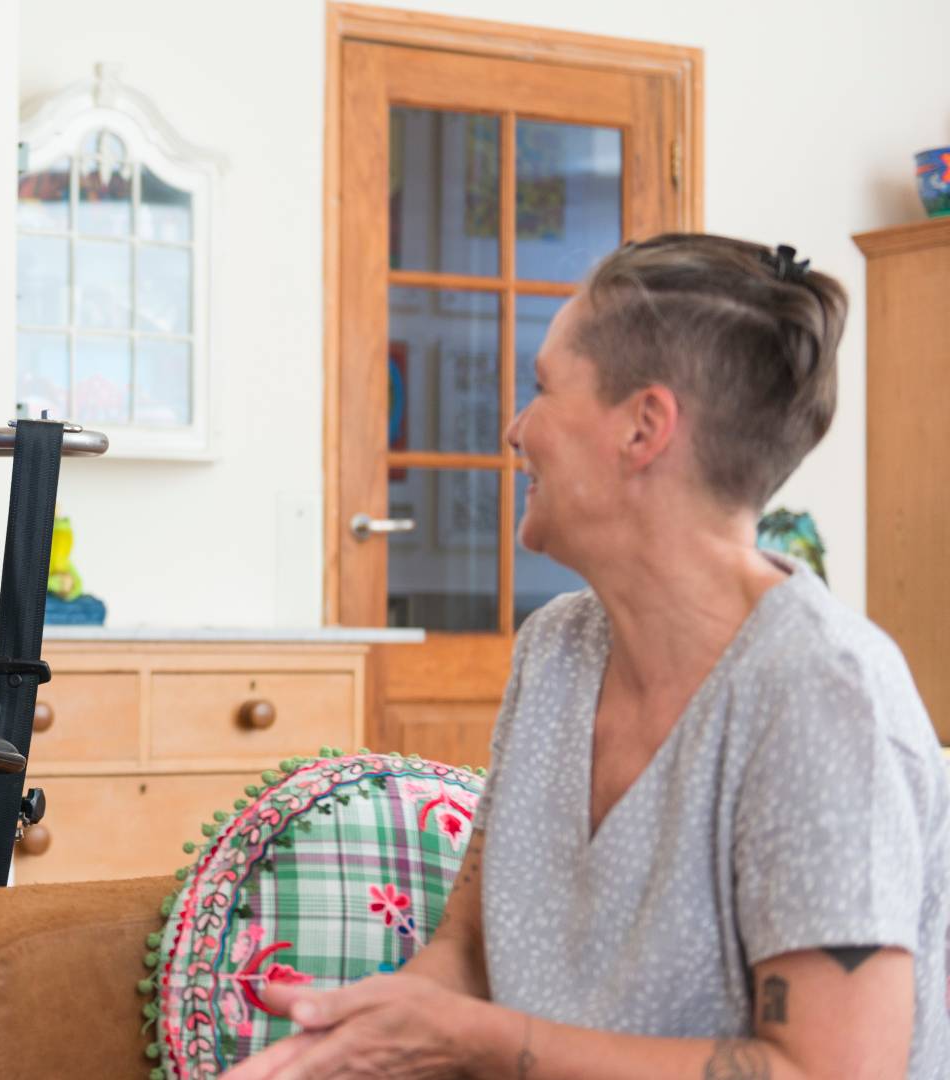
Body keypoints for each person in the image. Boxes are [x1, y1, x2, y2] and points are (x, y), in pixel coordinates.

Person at [230, 235, 949, 1079]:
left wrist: (474, 1042)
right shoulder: (555, 652)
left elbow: (829, 1073)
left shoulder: (824, 694)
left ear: (644, 427)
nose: (514, 428)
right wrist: (355, 1040)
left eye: (541, 388)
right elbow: (468, 958)